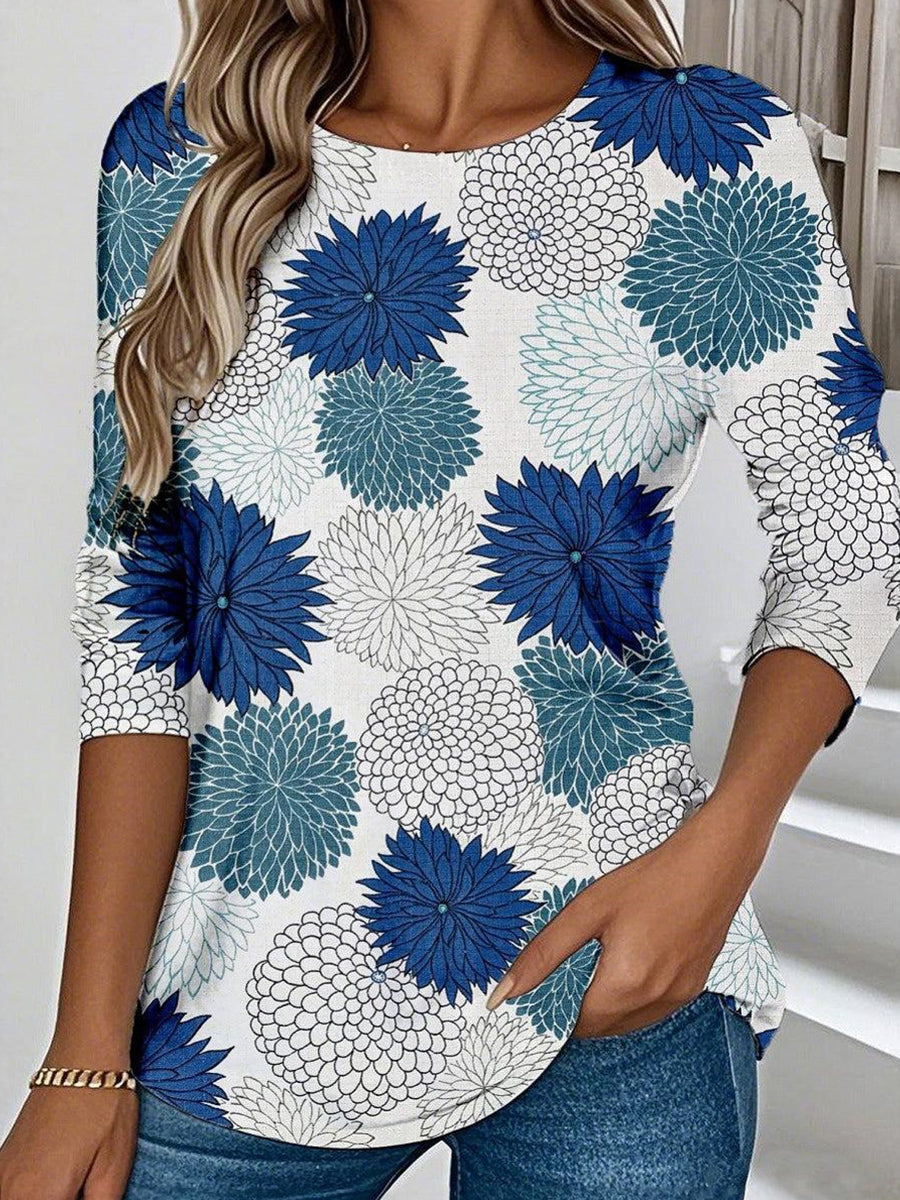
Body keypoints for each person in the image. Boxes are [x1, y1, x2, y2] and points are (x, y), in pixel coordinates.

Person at [2, 1, 899, 1197]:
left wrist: (720, 854)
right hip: (239, 1010)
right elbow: (133, 621)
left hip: (609, 986)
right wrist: (82, 1051)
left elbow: (848, 537)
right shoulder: (182, 154)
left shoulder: (711, 152)